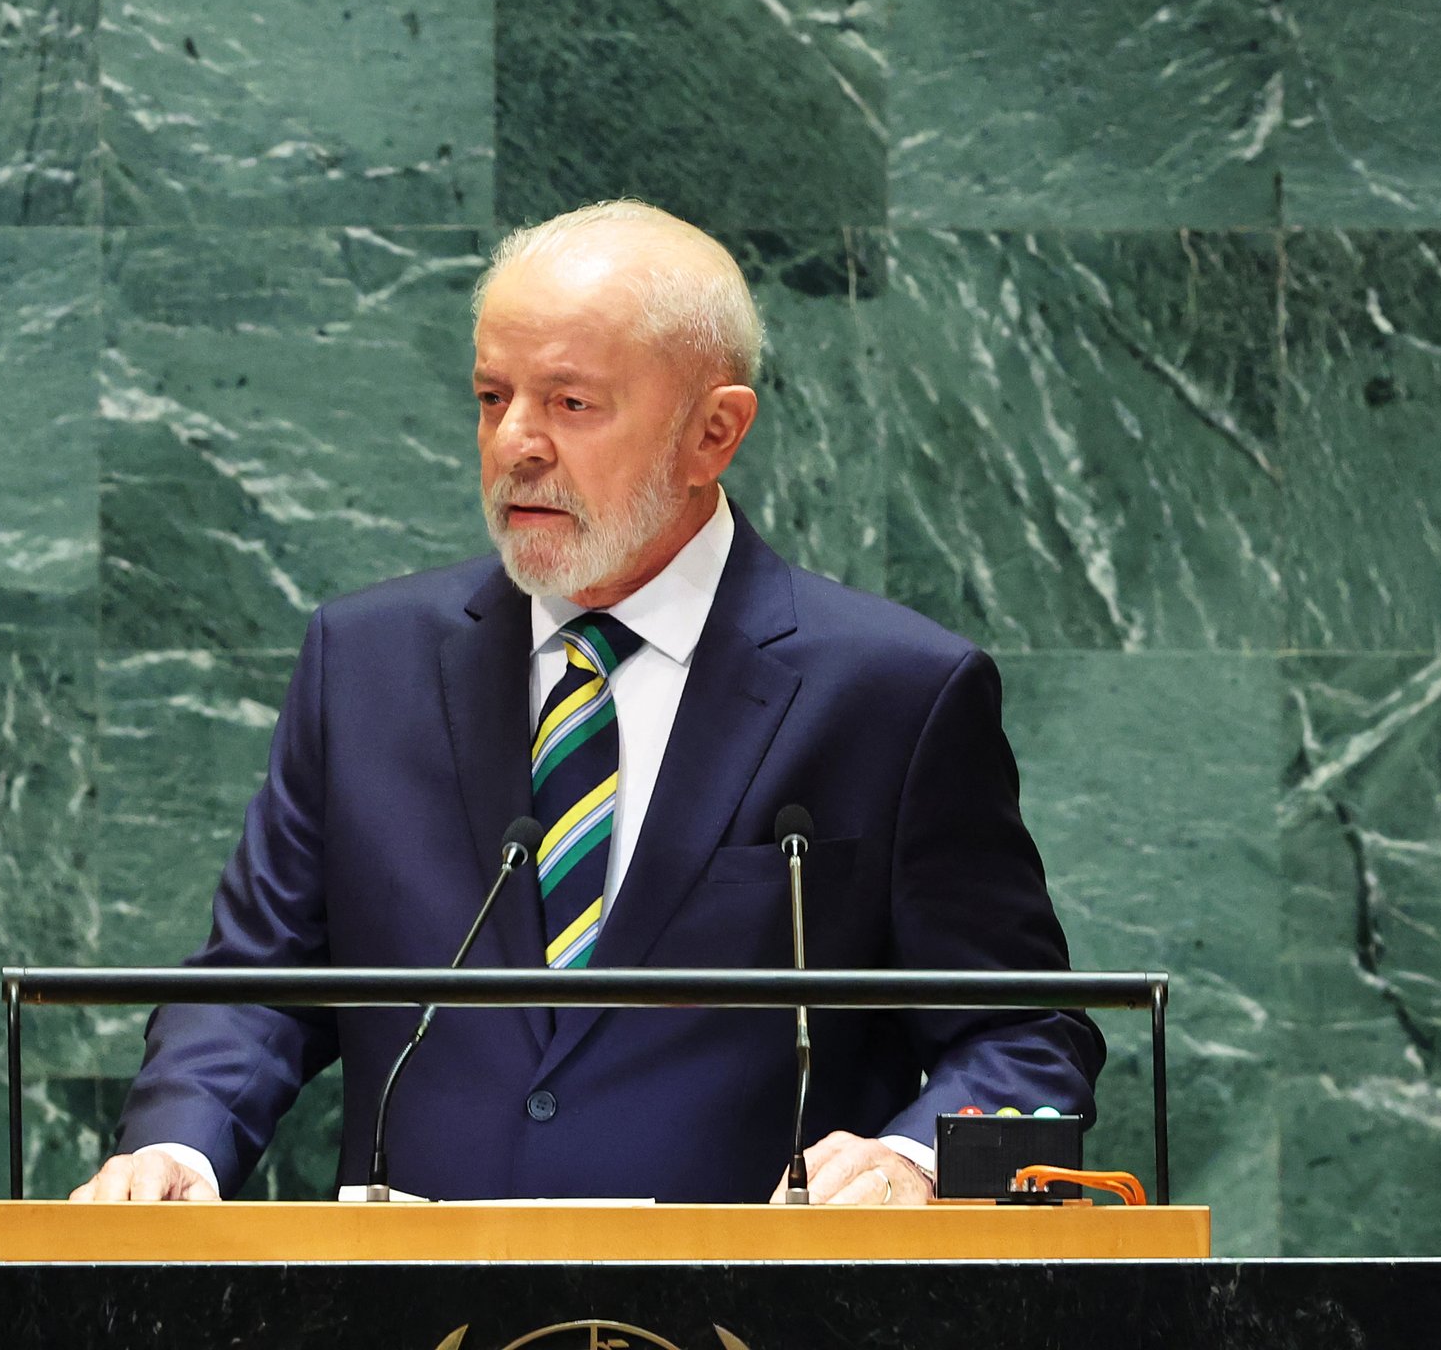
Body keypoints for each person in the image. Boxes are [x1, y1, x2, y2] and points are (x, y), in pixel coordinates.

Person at [73, 201, 1098, 1206]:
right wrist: (181, 1147)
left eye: (570, 403)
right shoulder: (365, 664)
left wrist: (912, 1159)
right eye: (490, 396)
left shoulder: (893, 693)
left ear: (714, 432)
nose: (516, 441)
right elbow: (257, 980)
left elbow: (1023, 1035)